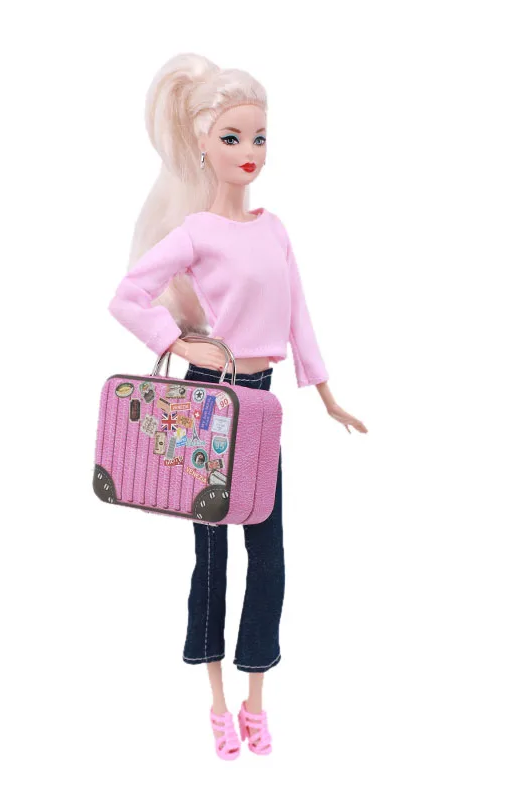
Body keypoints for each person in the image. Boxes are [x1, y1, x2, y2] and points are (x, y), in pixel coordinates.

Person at [107, 52, 368, 760]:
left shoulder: (273, 228)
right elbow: (127, 297)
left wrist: (325, 391)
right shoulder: (196, 233)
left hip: (262, 404)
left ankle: (257, 696)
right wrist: (180, 344)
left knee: (268, 547)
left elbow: (298, 313)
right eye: (232, 137)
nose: (249, 151)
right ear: (202, 143)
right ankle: (218, 702)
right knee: (213, 550)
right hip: (211, 400)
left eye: (258, 137)